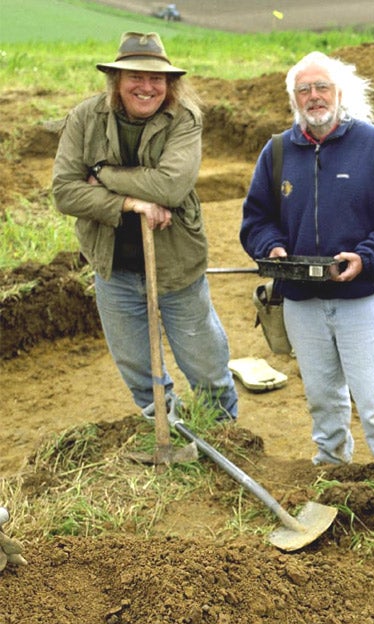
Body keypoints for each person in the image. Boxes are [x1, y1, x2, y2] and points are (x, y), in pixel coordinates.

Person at [240, 52, 374, 473]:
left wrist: (367, 257)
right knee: (323, 399)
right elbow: (256, 220)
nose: (314, 96)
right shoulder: (278, 152)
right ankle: (331, 470)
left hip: (363, 300)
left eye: (322, 87)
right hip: (302, 303)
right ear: (294, 100)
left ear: (341, 93)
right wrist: (273, 249)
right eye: (304, 90)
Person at [52, 31, 238, 420]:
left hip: (176, 265)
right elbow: (65, 193)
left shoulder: (184, 119)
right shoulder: (85, 118)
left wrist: (102, 173)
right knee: (140, 372)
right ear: (116, 81)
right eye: (136, 77)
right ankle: (167, 431)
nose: (147, 87)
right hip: (113, 266)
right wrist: (129, 202)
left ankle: (225, 436)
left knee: (207, 367)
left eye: (156, 79)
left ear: (169, 84)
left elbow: (171, 186)